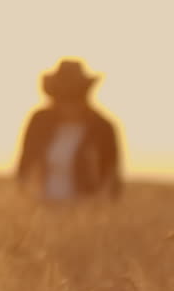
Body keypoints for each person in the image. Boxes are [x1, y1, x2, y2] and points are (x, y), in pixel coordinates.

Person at [15, 58, 122, 202]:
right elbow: (24, 167)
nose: (68, 103)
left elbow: (111, 177)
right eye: (63, 96)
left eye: (73, 95)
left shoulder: (103, 128)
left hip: (86, 210)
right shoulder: (39, 122)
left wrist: (95, 207)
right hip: (42, 207)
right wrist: (29, 199)